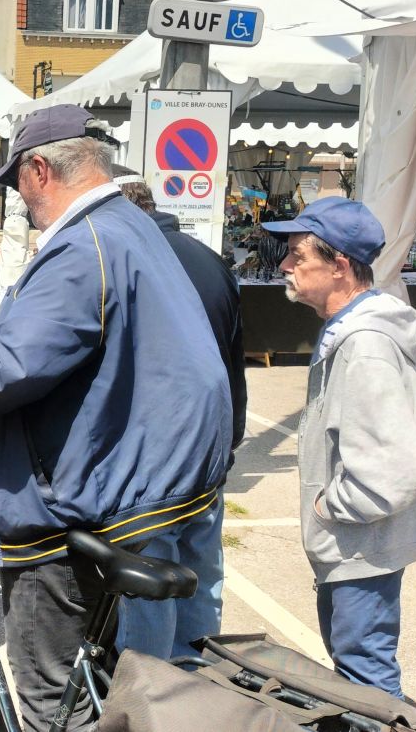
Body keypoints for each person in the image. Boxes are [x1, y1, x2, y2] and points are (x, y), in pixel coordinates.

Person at [0, 105, 231, 728]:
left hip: (76, 505)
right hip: (147, 490)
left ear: (39, 170)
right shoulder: (132, 229)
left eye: (17, 186)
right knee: (113, 687)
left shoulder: (84, 246)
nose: (20, 202)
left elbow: (8, 369)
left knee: (50, 705)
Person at [263, 197, 416, 700]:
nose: (285, 266)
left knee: (366, 681)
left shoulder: (365, 345)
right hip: (355, 544)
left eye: (298, 256)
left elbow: (389, 470)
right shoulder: (352, 332)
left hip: (363, 544)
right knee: (356, 669)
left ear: (339, 266)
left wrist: (330, 507)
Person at [115, 168, 246, 653]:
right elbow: (235, 360)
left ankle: (152, 692)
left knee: (151, 578)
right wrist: (230, 438)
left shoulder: (127, 263)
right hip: (210, 446)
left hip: (152, 453)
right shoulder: (212, 262)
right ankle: (198, 674)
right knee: (203, 570)